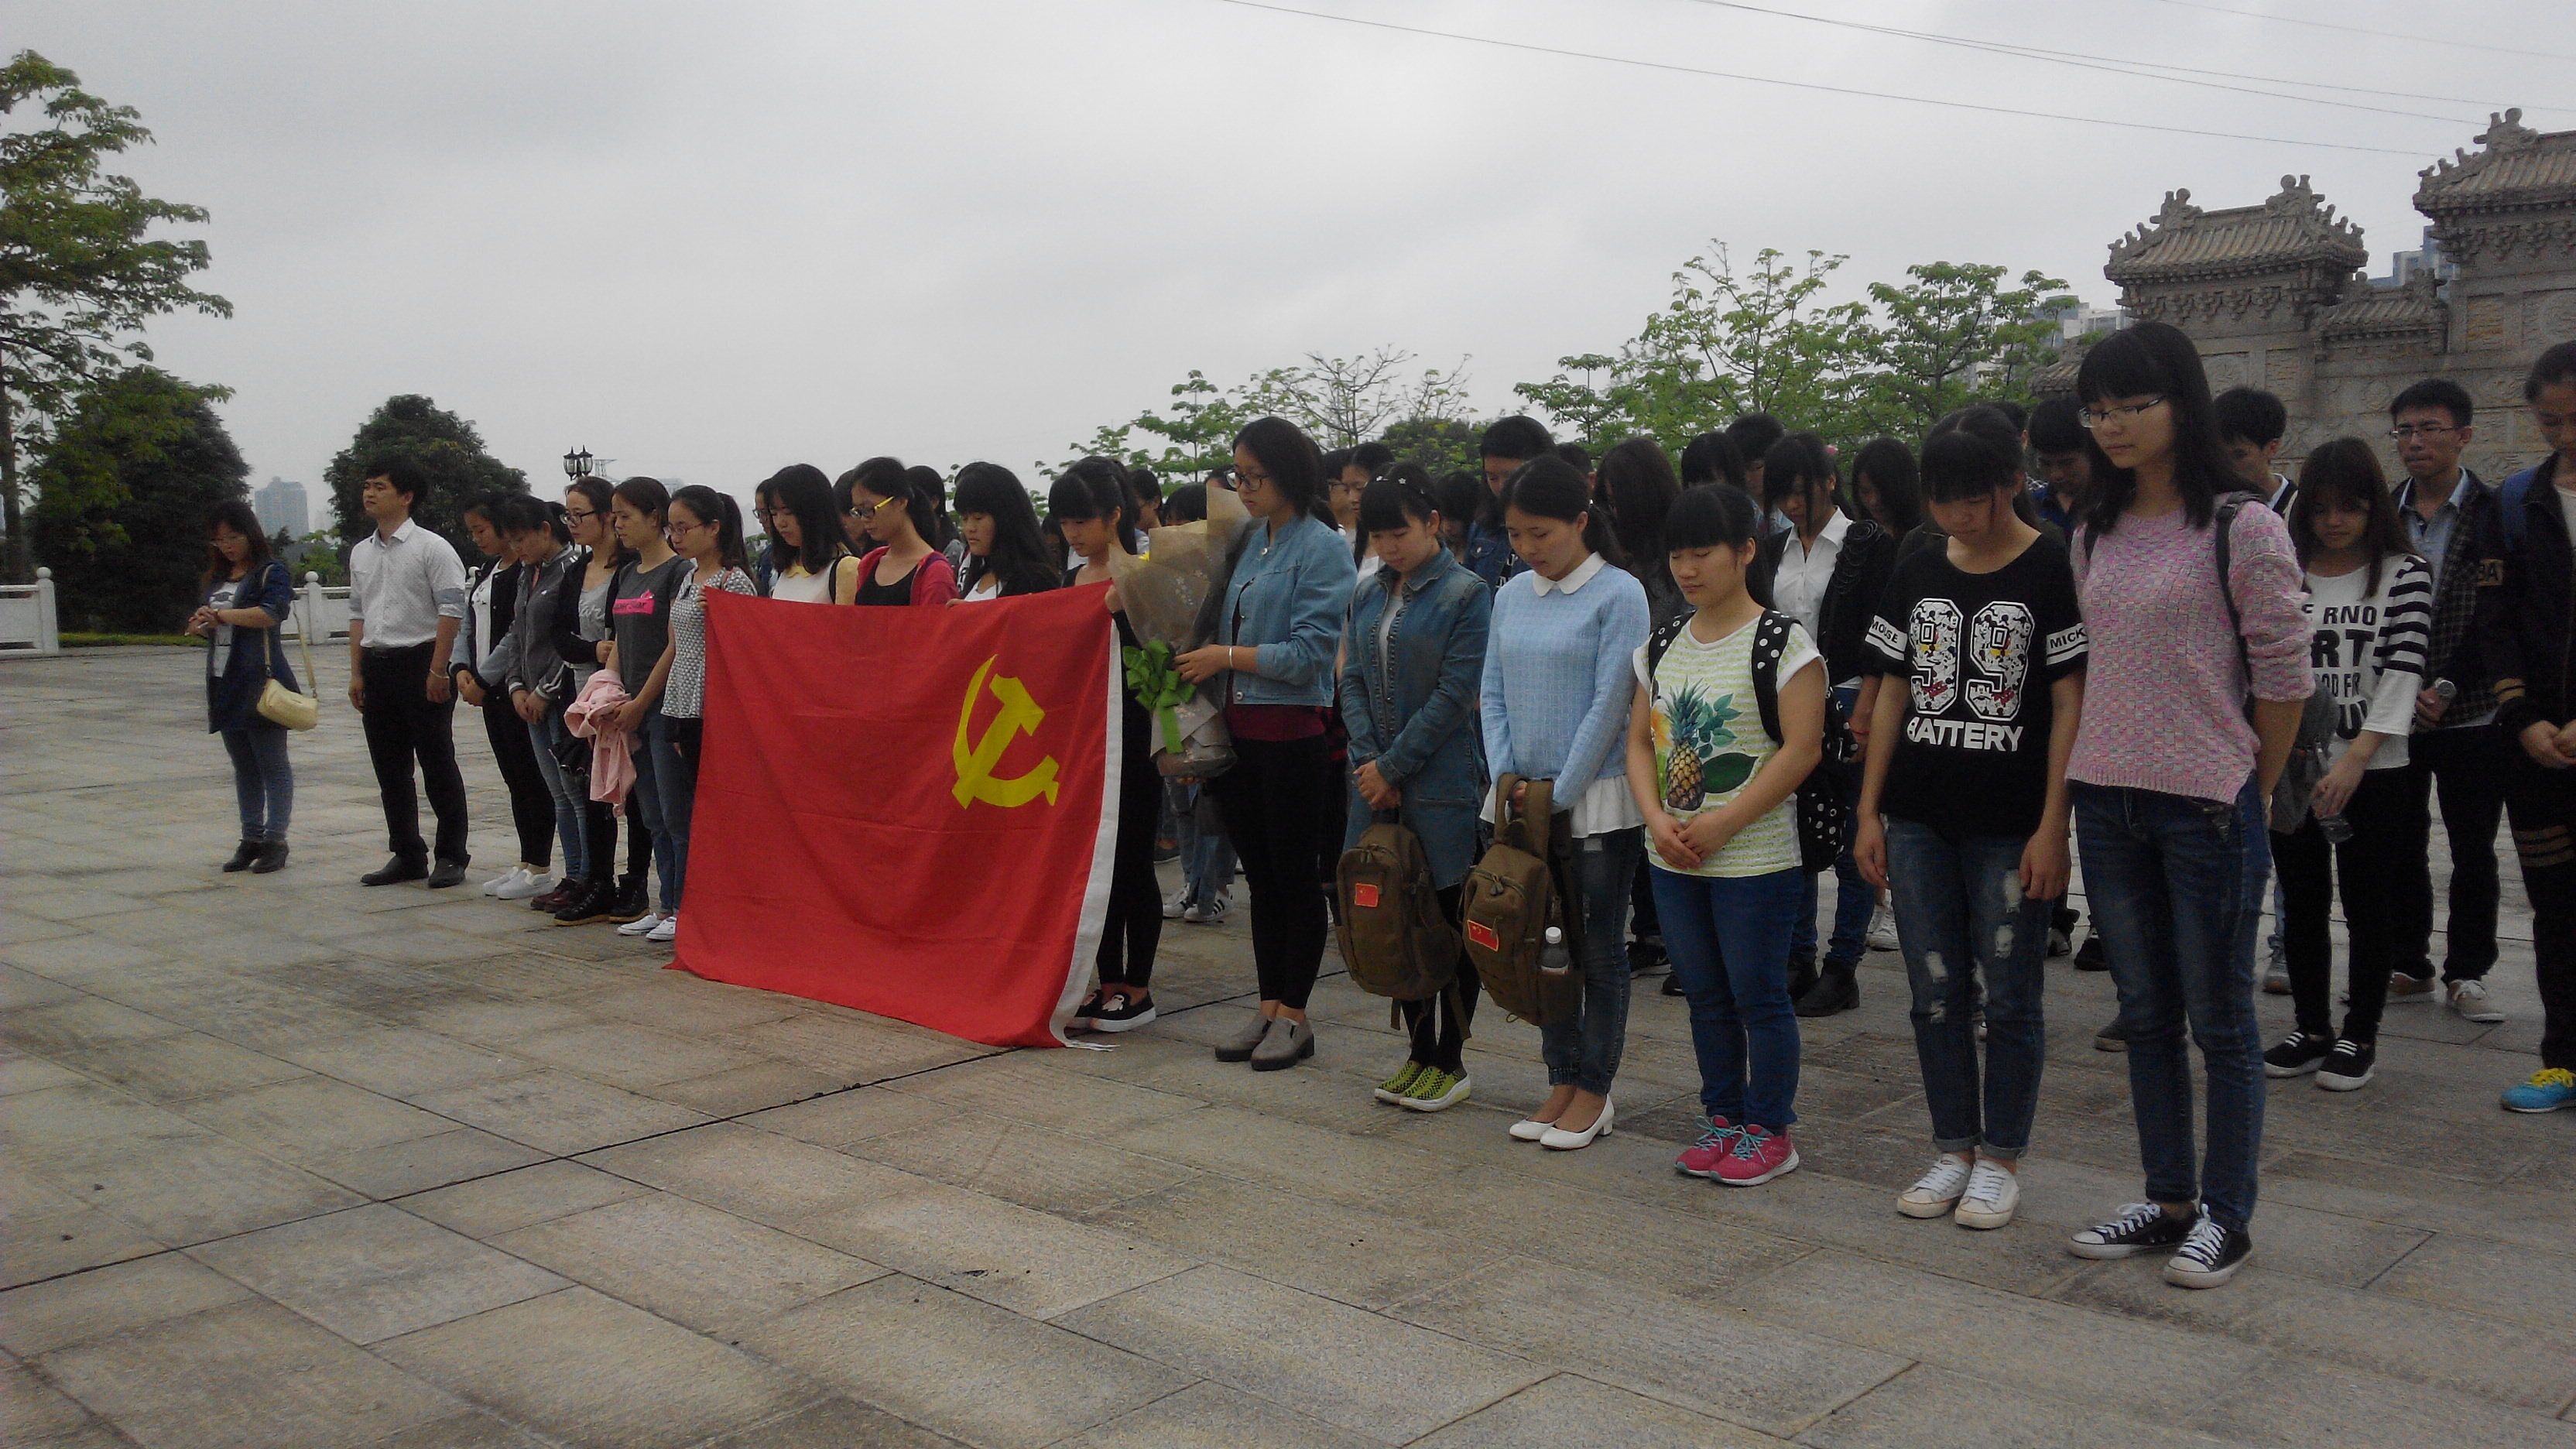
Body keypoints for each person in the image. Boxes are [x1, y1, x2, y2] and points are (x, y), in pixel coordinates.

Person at [2060, 322, 2311, 1290]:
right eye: (2098, 409)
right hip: (2107, 800)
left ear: (2183, 404)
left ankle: (2227, 1215)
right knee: (2145, 1014)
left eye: (2134, 404)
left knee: (2222, 1020)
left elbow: (2283, 674)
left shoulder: (2241, 527)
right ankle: (2167, 1201)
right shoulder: (2093, 529)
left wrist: (2251, 779)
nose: (2113, 425)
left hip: (2206, 804)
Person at [1855, 429, 2088, 1229]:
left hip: (2010, 822)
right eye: (1943, 501)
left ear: (2010, 483)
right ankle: (1953, 1147)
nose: (1958, 517)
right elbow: (1892, 689)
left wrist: (2054, 823)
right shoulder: (1919, 564)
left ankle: (2001, 1158)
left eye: (1973, 500)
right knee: (1934, 992)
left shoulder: (2050, 564)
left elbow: (2069, 700)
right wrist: (1870, 810)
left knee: (2011, 995)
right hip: (1919, 815)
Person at [1628, 483, 1822, 1185]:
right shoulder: (1663, 643)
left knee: (1758, 996)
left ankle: (1769, 1128)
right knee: (1706, 996)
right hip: (1673, 857)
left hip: (1756, 860)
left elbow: (1802, 749)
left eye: (1702, 553)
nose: (1687, 569)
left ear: (1745, 551)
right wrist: (1657, 820)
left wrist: (1724, 822)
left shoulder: (1782, 642)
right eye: (1677, 554)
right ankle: (1723, 1118)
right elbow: (1639, 743)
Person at [1175, 418, 1358, 1069]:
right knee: (1261, 878)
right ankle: (1268, 1004)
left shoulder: (1323, 547)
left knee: (1294, 876)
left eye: (1256, 476)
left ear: (1290, 473)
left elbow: (1309, 655)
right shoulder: (1250, 539)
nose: (1246, 489)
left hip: (1290, 735)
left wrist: (1225, 656)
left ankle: (1296, 1016)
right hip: (1237, 734)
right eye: (1239, 476)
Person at [1483, 454, 1650, 1149]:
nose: (1528, 548)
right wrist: (1508, 782)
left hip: (1597, 802)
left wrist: (1558, 793)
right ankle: (1560, 1076)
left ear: (1581, 522)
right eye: (1516, 534)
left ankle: (1595, 1088)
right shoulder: (1510, 595)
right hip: (1521, 804)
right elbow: (1492, 693)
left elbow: (1612, 704)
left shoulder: (1620, 594)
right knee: (1541, 943)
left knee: (1598, 949)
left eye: (1541, 533)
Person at [2259, 440, 2433, 1092]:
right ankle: (2311, 1028)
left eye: (2351, 508)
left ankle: (2361, 1032)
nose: (2335, 521)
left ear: (2373, 508)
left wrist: (2356, 761)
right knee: (2301, 900)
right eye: (2322, 508)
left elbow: (2403, 672)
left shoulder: (2405, 573)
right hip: (2294, 765)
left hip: (2375, 768)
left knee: (2368, 904)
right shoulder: (2287, 572)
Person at [1342, 473, 1492, 1112]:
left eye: (1398, 532)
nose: (1388, 547)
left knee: (1444, 918)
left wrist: (1394, 766)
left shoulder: (1467, 593)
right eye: (1377, 536)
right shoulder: (1368, 592)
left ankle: (1449, 1058)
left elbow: (1456, 695)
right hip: (1375, 783)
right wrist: (1369, 761)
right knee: (1392, 916)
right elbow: (1350, 677)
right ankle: (1416, 1051)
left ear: (1432, 522)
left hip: (1441, 784)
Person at [2385, 378, 2509, 1023]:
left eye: (2429, 428)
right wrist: (2402, 688)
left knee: (2473, 847)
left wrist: (2448, 685)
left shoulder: (2496, 512)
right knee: (2400, 840)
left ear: (2463, 435)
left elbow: (2499, 612)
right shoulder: (2384, 513)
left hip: (2473, 710)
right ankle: (2409, 962)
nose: (2415, 442)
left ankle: (2468, 971)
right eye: (2405, 430)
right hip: (2397, 709)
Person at [1759, 433, 1893, 1015]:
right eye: (1782, 495)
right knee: (1796, 829)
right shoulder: (1773, 550)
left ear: (1829, 483)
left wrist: (1866, 710)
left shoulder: (1868, 544)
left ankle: (1843, 965)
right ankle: (1799, 957)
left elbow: (1886, 635)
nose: (1793, 505)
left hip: (1849, 695)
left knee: (1851, 833)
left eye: (1801, 492)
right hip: (1788, 702)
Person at [2483, 342, 2576, 1114]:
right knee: (2556, 907)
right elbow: (2496, 621)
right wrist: (2522, 717)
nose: (2566, 437)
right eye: (2551, 422)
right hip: (2537, 748)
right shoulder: (2516, 503)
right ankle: (2563, 1060)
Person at [1055, 459, 1164, 1032]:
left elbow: (1166, 659)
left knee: (1133, 860)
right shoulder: (1070, 581)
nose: (1072, 533)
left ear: (1115, 515)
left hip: (1136, 734)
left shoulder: (1146, 574)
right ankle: (1107, 979)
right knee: (1095, 861)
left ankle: (1137, 986)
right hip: (1086, 741)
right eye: (1065, 522)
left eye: (1082, 520)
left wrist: (1129, 614)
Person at [634, 485, 759, 945]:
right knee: (671, 812)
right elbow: (674, 643)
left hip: (711, 707)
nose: (677, 536)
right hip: (680, 701)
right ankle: (672, 902)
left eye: (684, 528)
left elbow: (749, 644)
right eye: (672, 528)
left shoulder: (733, 581)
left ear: (714, 528)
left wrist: (725, 616)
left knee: (701, 813)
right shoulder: (688, 578)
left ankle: (696, 906)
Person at [346, 457, 472, 889]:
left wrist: (439, 669)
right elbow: (358, 613)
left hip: (421, 662)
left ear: (406, 496)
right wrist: (357, 672)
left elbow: (452, 610)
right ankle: (406, 853)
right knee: (390, 769)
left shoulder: (432, 548)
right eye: (367, 485)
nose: (369, 493)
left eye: (379, 486)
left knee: (437, 763)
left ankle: (452, 855)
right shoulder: (361, 552)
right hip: (377, 664)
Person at [1595, 438, 1684, 978]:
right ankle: (1650, 931)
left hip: (1674, 700)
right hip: (1628, 701)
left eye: (1618, 499)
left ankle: (1675, 937)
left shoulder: (1676, 553)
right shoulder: (1614, 555)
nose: (1613, 510)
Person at [545, 474, 649, 927]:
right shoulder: (576, 570)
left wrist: (612, 655)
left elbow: (634, 631)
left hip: (624, 693)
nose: (572, 523)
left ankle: (636, 882)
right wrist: (593, 650)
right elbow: (559, 634)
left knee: (636, 792)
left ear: (607, 516)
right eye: (567, 515)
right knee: (592, 790)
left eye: (579, 515)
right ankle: (598, 880)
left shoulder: (632, 568)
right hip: (583, 692)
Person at [600, 478, 692, 940]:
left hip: (663, 706)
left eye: (625, 516)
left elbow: (675, 647)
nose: (617, 525)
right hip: (630, 707)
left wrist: (641, 703)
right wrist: (608, 691)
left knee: (676, 814)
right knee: (651, 814)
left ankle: (686, 907)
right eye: (614, 516)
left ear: (655, 518)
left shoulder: (678, 572)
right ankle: (664, 904)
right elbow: (620, 639)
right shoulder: (628, 574)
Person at [454, 496, 557, 903]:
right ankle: (526, 860)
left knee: (533, 780)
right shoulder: (488, 573)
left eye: (482, 530)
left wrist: (486, 677)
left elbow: (514, 636)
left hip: (512, 688)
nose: (477, 538)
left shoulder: (526, 575)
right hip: (491, 692)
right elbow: (468, 623)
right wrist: (460, 668)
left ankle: (540, 865)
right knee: (515, 779)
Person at [189, 501, 299, 875]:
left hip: (260, 680)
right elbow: (211, 622)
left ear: (250, 534)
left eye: (233, 537)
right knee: (243, 766)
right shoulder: (217, 577)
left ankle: (275, 840)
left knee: (272, 764)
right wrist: (201, 623)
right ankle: (250, 837)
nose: (227, 546)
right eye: (219, 541)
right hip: (223, 679)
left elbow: (270, 613)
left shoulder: (270, 572)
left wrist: (221, 615)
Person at [497, 496, 588, 913]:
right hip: (529, 698)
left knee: (575, 793)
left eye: (522, 539)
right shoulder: (527, 574)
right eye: (512, 541)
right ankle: (572, 875)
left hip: (559, 698)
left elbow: (565, 643)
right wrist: (516, 686)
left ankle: (585, 875)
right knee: (558, 794)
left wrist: (544, 692)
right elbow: (517, 634)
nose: (517, 548)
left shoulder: (570, 571)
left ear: (545, 530)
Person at [1155, 482, 1238, 923]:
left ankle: (1217, 886)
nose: (1176, 531)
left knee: (1214, 801)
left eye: (1184, 522)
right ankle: (1191, 881)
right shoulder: (1160, 572)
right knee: (1181, 799)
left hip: (1214, 689)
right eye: (1170, 523)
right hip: (1174, 693)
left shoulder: (1226, 570)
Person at [844, 458, 958, 606]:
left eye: (868, 509)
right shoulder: (870, 562)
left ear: (900, 502)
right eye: (858, 512)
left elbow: (936, 621)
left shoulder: (934, 572)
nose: (864, 519)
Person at [952, 462, 1061, 601]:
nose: (969, 528)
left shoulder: (1036, 580)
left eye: (978, 518)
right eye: (964, 518)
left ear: (1005, 518)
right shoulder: (977, 574)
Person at [1464, 416, 1551, 588]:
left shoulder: (1560, 526)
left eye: (1511, 476)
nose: (1502, 487)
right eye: (1492, 478)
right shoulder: (1483, 528)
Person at [759, 466, 860, 605]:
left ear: (814, 511)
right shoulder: (787, 567)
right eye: (774, 513)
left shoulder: (845, 569)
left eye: (788, 512)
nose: (780, 522)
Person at [2214, 385, 2297, 516]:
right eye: (2219, 456)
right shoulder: (2209, 510)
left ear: (2272, 448)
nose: (2227, 466)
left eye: (2239, 455)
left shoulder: (2300, 510)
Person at [2028, 396, 2091, 538]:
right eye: (2046, 464)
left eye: (2067, 463)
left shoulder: (2120, 510)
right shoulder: (2032, 510)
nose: (2056, 475)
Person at [1851, 437, 1923, 538]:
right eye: (1865, 491)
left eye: (1882, 491)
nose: (1873, 501)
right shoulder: (1856, 539)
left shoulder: (1931, 536)